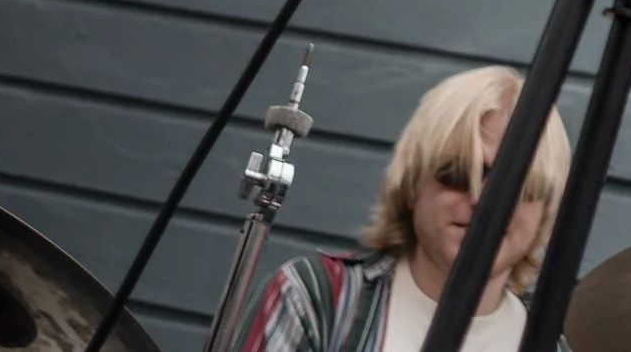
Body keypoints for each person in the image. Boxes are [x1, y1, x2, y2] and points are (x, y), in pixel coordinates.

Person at [242, 66, 573, 352]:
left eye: (516, 184)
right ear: (413, 184)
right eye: (458, 173)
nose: (482, 199)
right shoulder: (316, 299)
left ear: (545, 210)